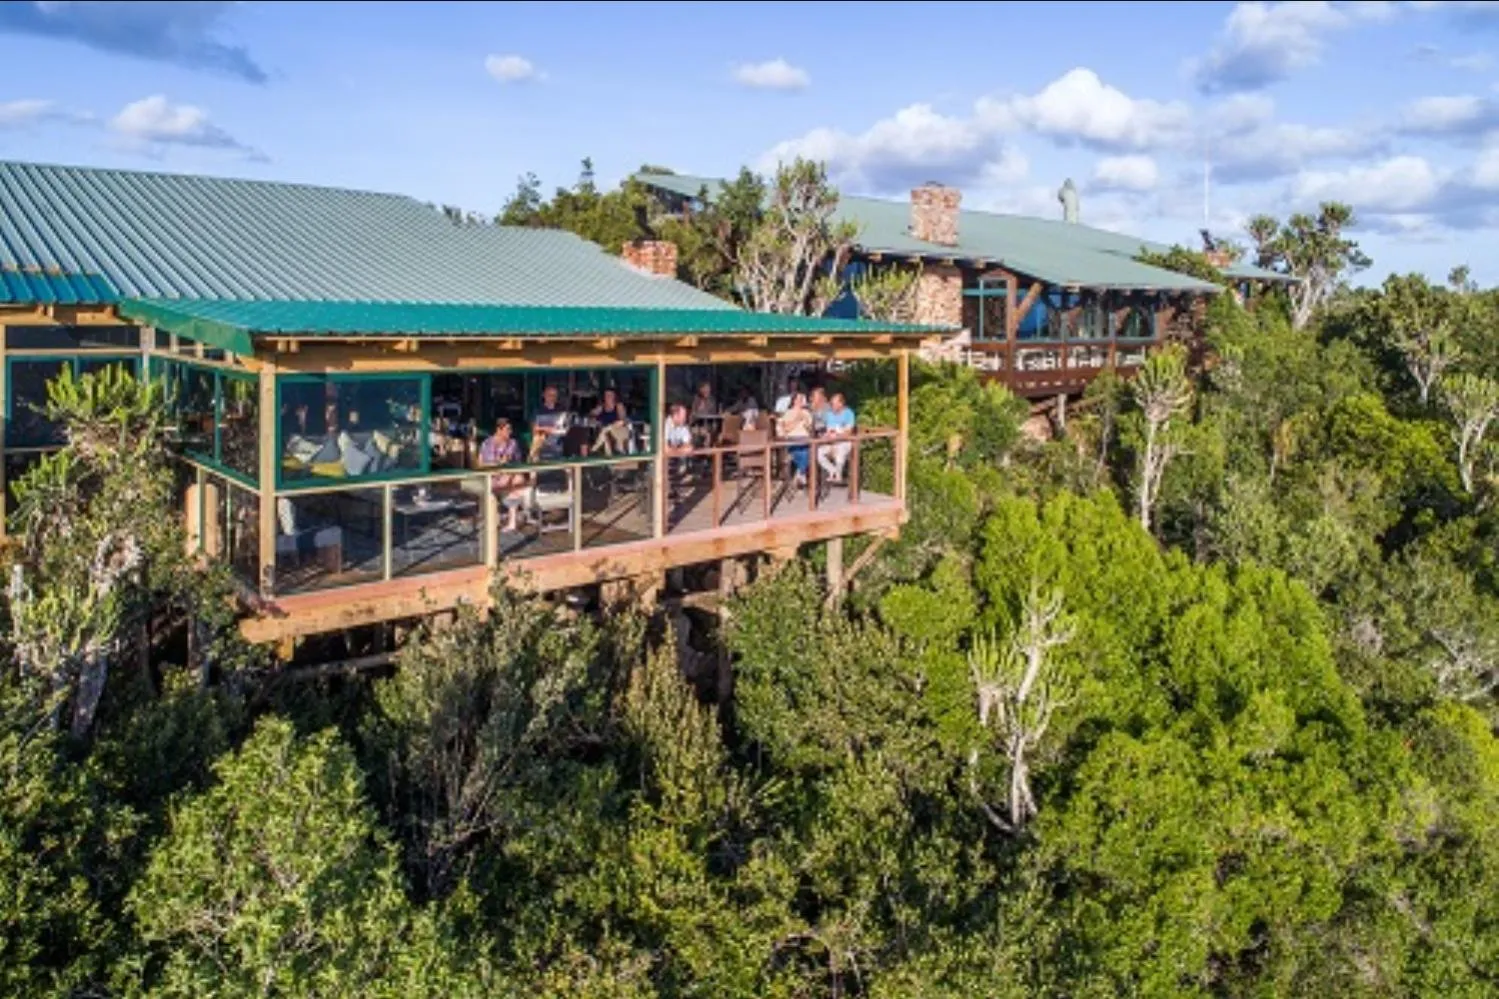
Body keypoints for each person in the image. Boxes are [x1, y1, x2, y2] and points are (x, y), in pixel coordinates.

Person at [477, 418, 528, 531]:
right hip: (491, 476)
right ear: (498, 430)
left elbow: (517, 463)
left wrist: (509, 472)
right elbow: (484, 465)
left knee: (517, 479)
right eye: (507, 429)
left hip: (508, 476)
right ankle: (500, 517)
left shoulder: (513, 443)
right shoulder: (488, 443)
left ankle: (511, 521)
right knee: (513, 482)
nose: (510, 432)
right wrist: (500, 464)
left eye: (510, 429)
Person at [776, 391, 814, 488]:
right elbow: (781, 427)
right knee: (801, 452)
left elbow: (810, 428)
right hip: (792, 438)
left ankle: (800, 473)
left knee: (807, 452)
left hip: (805, 438)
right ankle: (801, 473)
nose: (800, 401)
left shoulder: (806, 413)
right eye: (798, 399)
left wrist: (805, 421)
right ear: (794, 401)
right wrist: (795, 421)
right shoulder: (787, 413)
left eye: (802, 400)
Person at [817, 392, 856, 484]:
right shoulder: (830, 414)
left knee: (840, 451)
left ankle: (838, 476)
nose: (832, 406)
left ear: (840, 404)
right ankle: (833, 471)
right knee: (818, 452)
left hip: (844, 441)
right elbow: (829, 430)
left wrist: (837, 438)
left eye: (834, 404)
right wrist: (826, 437)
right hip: (831, 441)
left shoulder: (849, 413)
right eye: (831, 404)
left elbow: (848, 432)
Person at [531, 385, 568, 461]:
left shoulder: (561, 410)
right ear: (544, 395)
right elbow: (534, 429)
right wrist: (548, 429)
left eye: (554, 395)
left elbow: (564, 430)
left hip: (557, 450)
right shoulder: (538, 411)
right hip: (541, 449)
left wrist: (546, 430)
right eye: (550, 395)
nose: (552, 398)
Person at [590, 387, 631, 454]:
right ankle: (598, 451)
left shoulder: (618, 406)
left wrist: (611, 425)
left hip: (618, 430)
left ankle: (594, 449)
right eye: (606, 395)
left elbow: (623, 420)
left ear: (614, 397)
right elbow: (591, 414)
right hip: (604, 431)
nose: (607, 397)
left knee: (606, 431)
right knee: (605, 433)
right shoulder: (601, 407)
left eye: (610, 395)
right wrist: (594, 418)